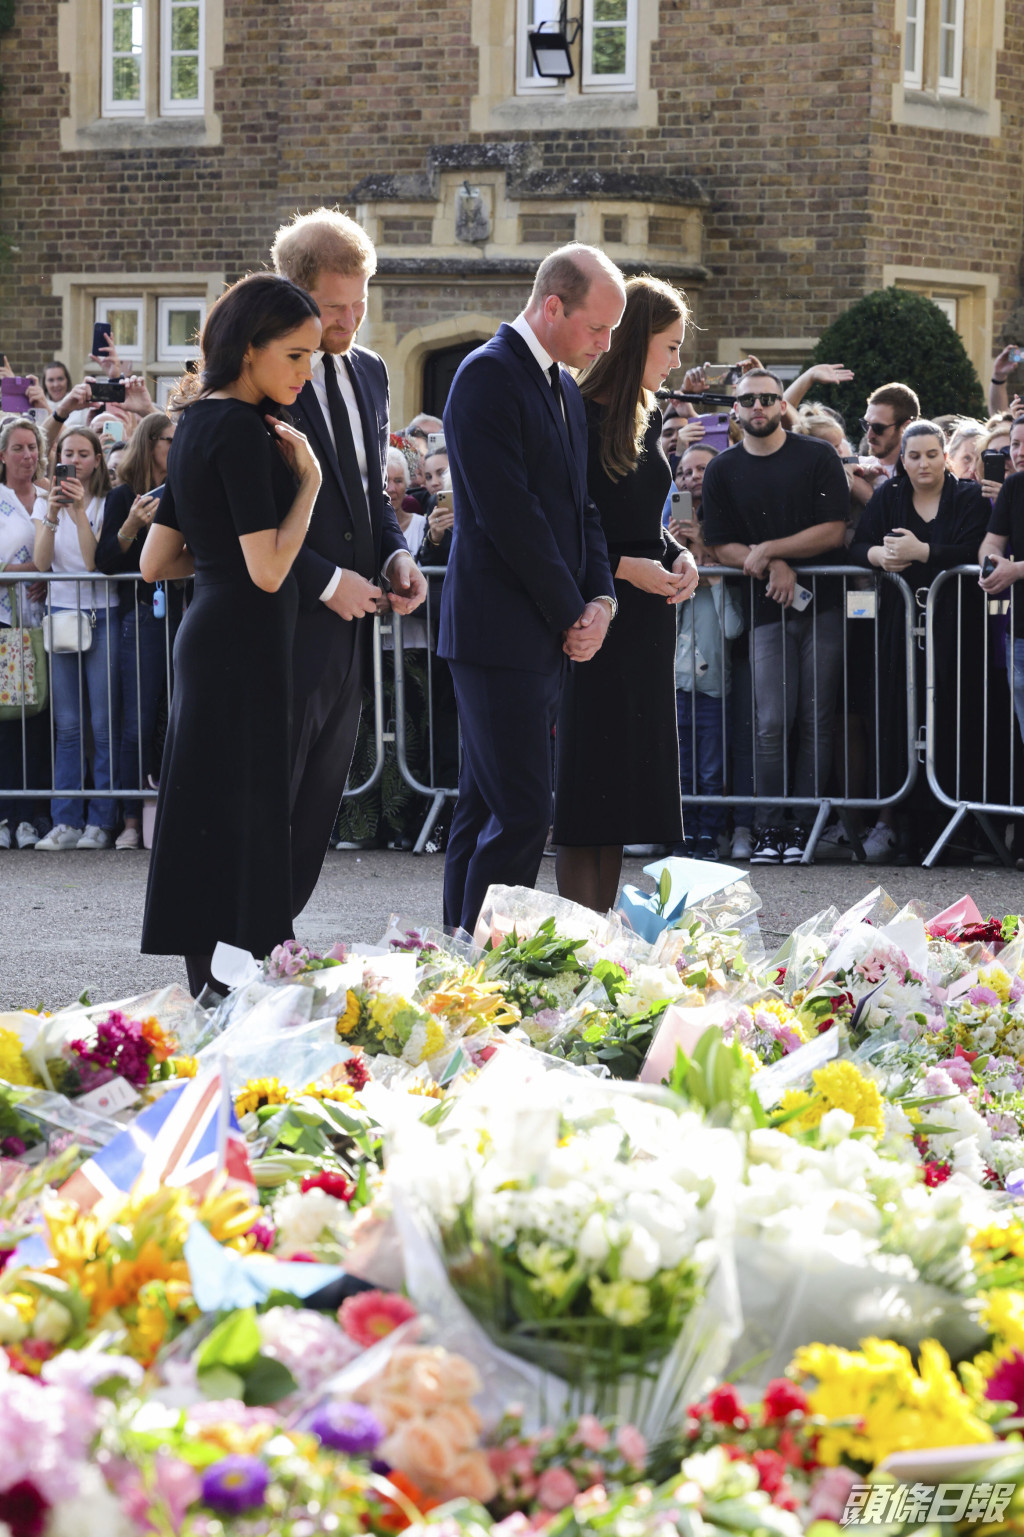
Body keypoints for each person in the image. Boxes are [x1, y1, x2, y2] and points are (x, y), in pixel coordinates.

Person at [139, 273, 323, 999]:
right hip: (242, 638)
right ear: (250, 350)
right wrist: (307, 482)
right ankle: (239, 978)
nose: (305, 373)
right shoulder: (244, 431)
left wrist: (218, 570)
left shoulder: (196, 422)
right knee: (244, 802)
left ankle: (212, 979)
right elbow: (271, 568)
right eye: (295, 356)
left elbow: (157, 561)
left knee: (208, 800)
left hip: (213, 628)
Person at [440, 243, 625, 932]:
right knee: (522, 811)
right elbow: (506, 512)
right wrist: (572, 608)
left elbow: (582, 509)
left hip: (540, 629)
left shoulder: (565, 390)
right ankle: (489, 962)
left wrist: (601, 599)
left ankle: (461, 956)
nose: (604, 345)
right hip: (497, 628)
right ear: (553, 306)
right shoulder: (487, 375)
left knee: (487, 806)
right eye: (596, 328)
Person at [270, 207, 426, 915]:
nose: (351, 320)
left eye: (362, 302)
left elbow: (368, 489)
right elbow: (255, 513)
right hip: (283, 619)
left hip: (356, 624)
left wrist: (396, 555)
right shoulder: (267, 374)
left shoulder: (369, 369)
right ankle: (242, 953)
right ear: (297, 294)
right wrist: (325, 581)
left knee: (319, 799)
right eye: (336, 306)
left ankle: (277, 943)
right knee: (272, 798)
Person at [553, 275, 698, 911]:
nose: (675, 361)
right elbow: (565, 524)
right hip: (595, 614)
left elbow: (640, 517)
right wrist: (622, 569)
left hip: (643, 622)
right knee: (588, 787)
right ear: (637, 341)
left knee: (618, 792)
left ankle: (601, 927)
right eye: (670, 347)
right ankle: (576, 935)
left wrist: (678, 553)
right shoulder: (576, 414)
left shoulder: (645, 413)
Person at [701, 369, 849, 865]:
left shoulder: (817, 456)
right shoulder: (723, 468)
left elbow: (834, 531)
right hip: (764, 607)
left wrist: (769, 549)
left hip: (824, 604)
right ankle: (768, 828)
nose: (759, 406)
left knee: (815, 720)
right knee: (770, 722)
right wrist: (777, 563)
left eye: (768, 398)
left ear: (782, 405)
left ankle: (804, 826)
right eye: (749, 400)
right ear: (736, 410)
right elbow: (720, 545)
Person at [850, 421, 989, 862]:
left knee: (953, 716)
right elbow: (858, 546)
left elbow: (973, 550)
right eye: (914, 456)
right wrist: (881, 556)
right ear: (903, 460)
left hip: (958, 629)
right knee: (898, 717)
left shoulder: (966, 496)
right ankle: (894, 826)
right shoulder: (889, 496)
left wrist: (921, 552)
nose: (923, 463)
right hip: (900, 626)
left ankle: (953, 831)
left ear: (945, 455)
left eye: (932, 454)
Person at [32, 426, 120, 850]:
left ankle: (101, 821)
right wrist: (52, 514)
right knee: (67, 727)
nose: (76, 460)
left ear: (98, 460)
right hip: (61, 614)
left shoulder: (105, 502)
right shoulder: (45, 502)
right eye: (68, 453)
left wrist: (80, 512)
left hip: (102, 614)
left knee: (102, 725)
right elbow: (41, 561)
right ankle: (65, 820)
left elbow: (93, 561)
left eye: (84, 454)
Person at [95, 413, 178, 849]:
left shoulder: (187, 489)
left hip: (186, 612)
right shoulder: (124, 495)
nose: (177, 447)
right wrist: (131, 526)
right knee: (138, 721)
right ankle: (130, 820)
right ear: (151, 443)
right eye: (170, 440)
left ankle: (173, 816)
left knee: (182, 715)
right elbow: (106, 561)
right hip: (143, 616)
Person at [0, 417, 50, 849]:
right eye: (18, 448)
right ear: (2, 456)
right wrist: (28, 571)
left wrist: (48, 578)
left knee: (37, 719)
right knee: (5, 721)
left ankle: (32, 814)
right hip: (3, 624)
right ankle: (5, 814)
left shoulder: (50, 495)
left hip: (44, 623)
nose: (27, 455)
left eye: (32, 447)